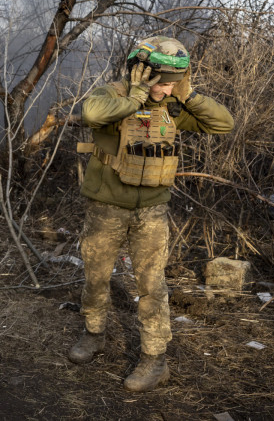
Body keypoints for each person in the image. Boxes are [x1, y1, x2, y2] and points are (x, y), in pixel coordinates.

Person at [71, 37, 234, 392]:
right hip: (106, 206)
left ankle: (154, 360)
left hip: (151, 211)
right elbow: (92, 114)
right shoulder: (114, 95)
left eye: (173, 80)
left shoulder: (175, 105)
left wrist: (188, 95)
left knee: (151, 286)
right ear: (140, 71)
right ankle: (93, 334)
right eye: (161, 79)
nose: (166, 86)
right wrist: (135, 96)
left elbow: (224, 124)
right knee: (96, 278)